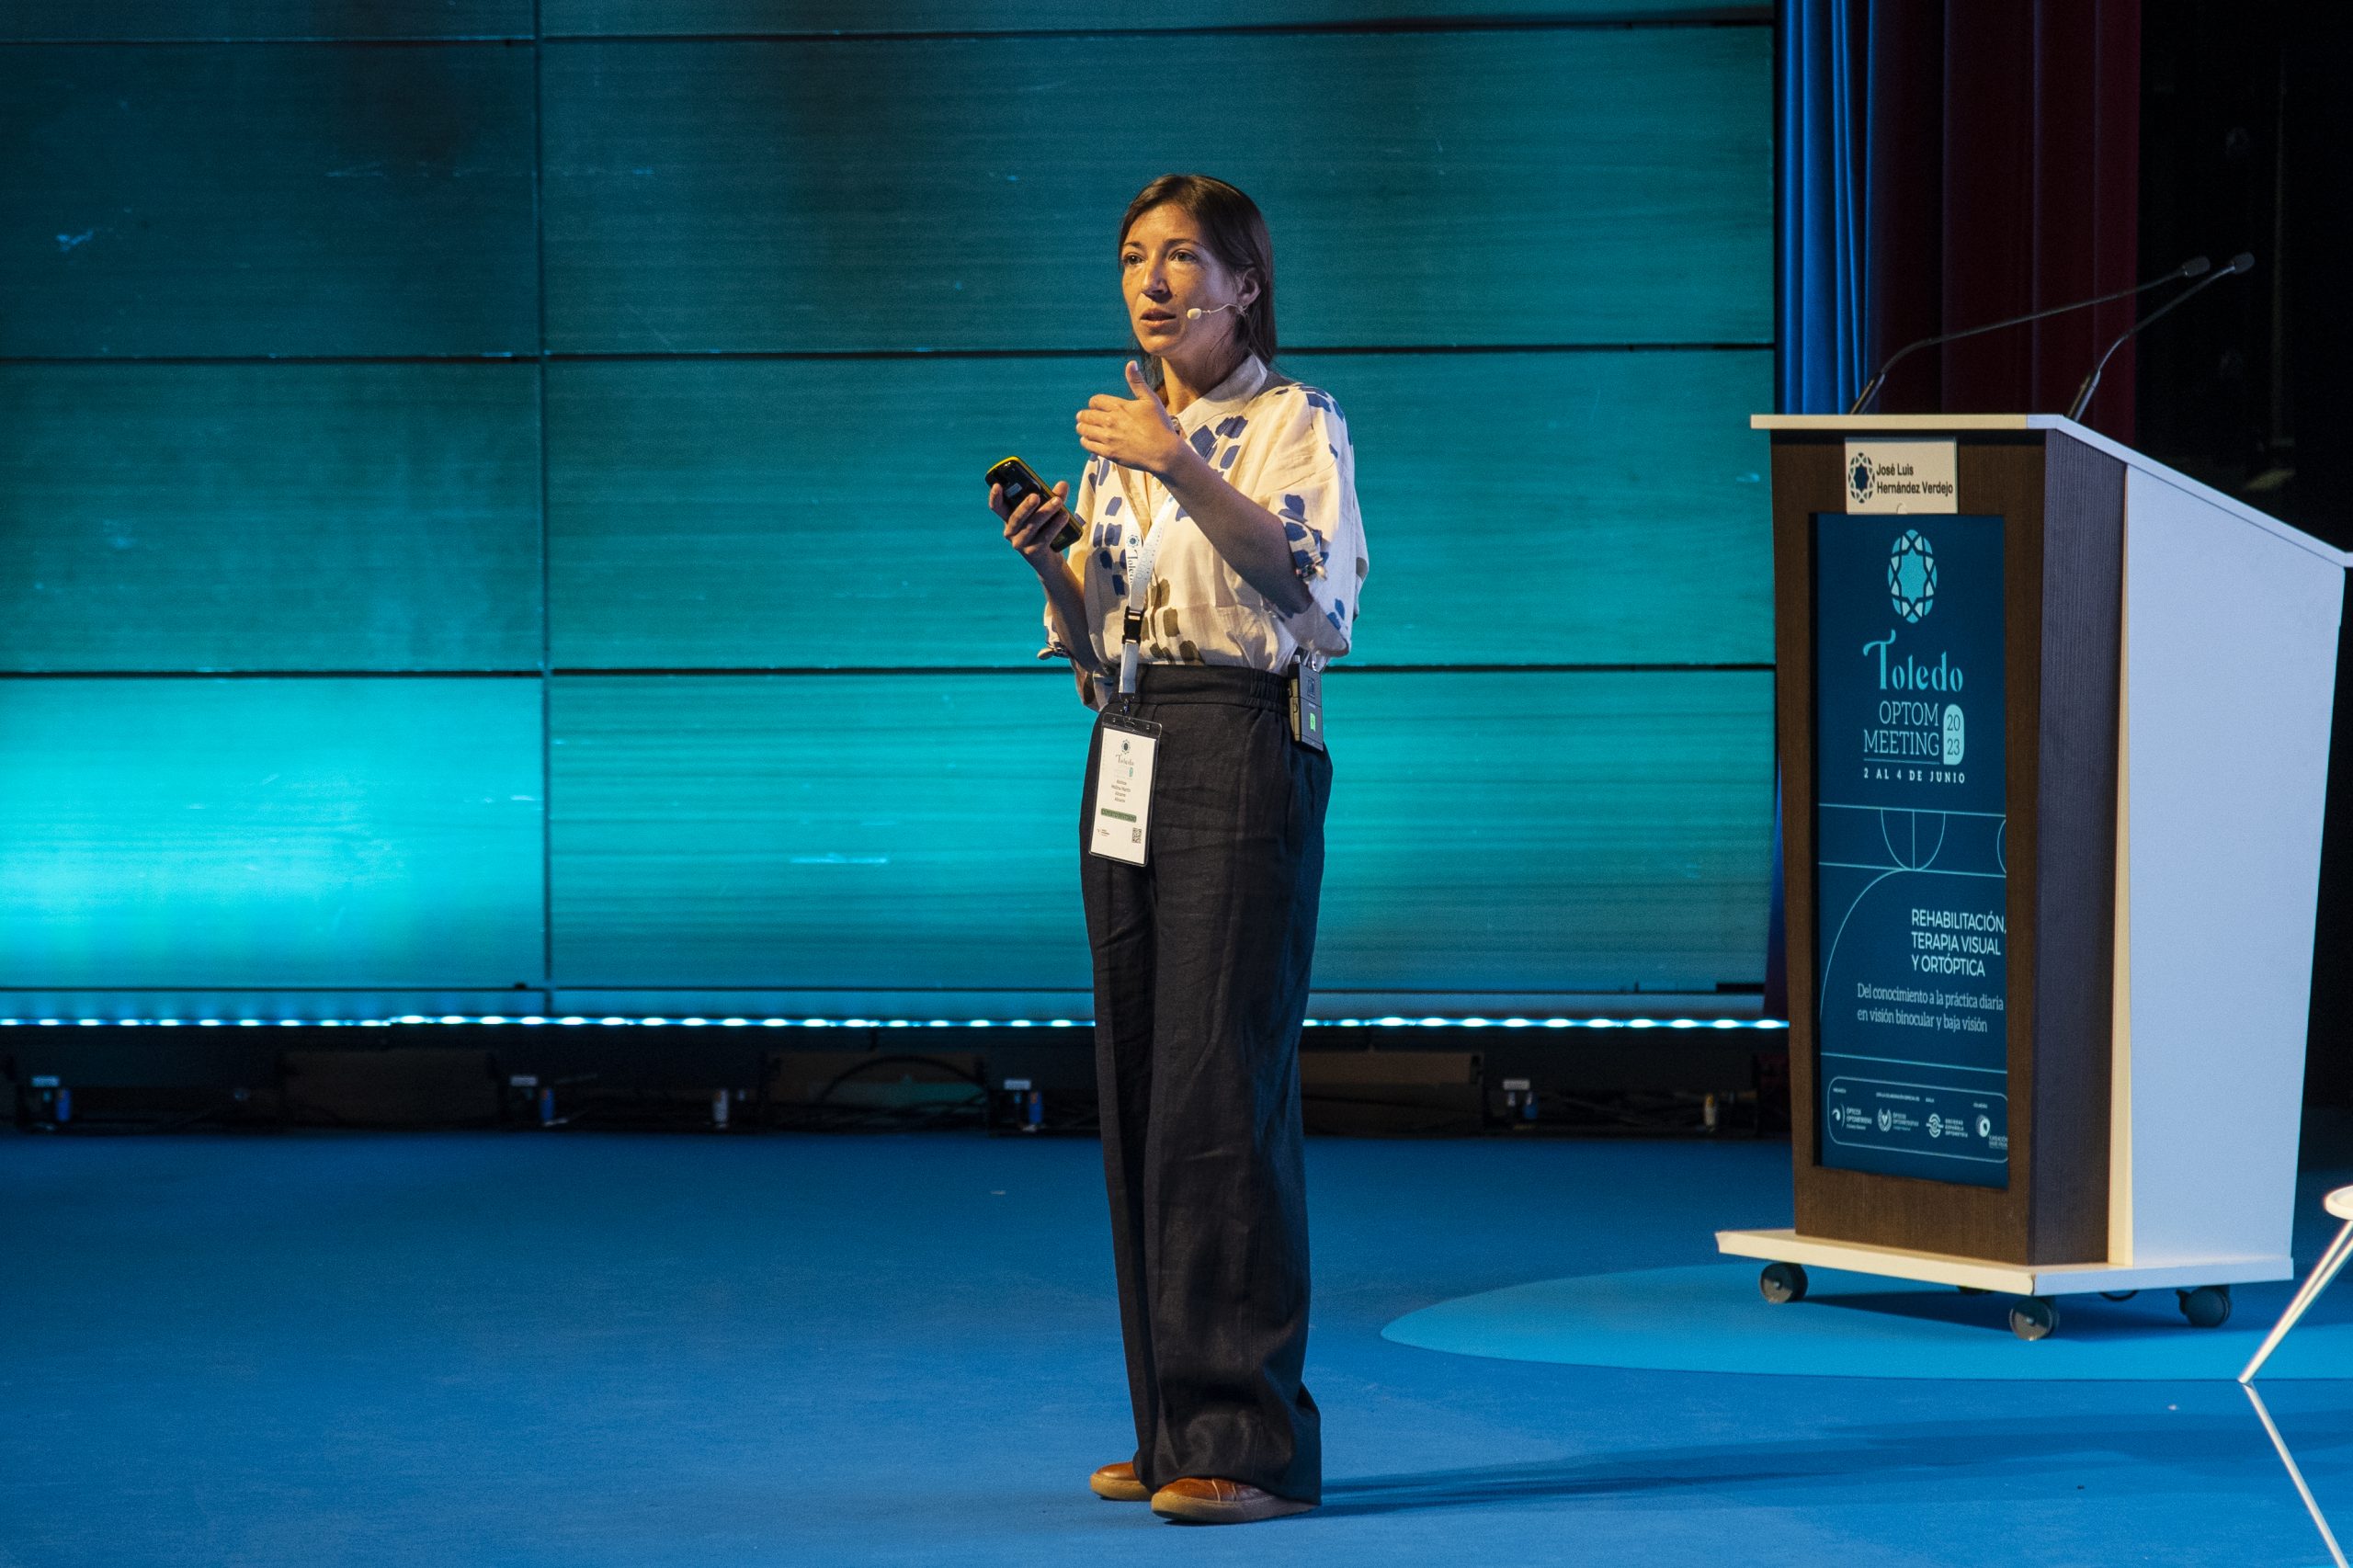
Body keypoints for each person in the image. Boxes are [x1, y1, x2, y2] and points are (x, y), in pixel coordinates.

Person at [989, 173, 1368, 1527]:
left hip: (1243, 737)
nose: (1153, 282)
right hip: (1131, 741)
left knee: (1222, 1084)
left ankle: (1252, 1440)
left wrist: (1179, 463)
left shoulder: (1294, 421)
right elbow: (1098, 649)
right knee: (1145, 1081)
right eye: (1134, 258)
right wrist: (1052, 561)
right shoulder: (1120, 444)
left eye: (1185, 258)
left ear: (1246, 285)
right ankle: (1170, 1427)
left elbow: (1309, 591)